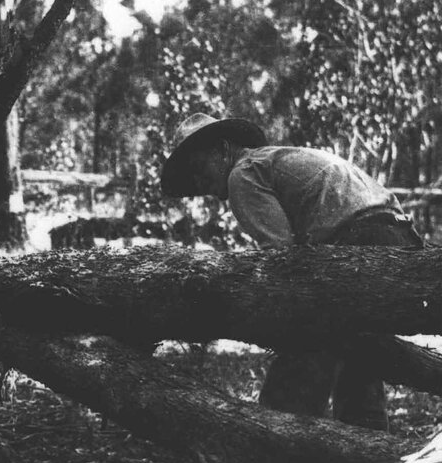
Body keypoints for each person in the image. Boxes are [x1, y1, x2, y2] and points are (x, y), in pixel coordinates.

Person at [161, 112, 423, 433]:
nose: (199, 183)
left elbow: (283, 259)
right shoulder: (273, 160)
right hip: (399, 237)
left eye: (199, 168)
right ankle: (368, 451)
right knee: (357, 348)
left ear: (223, 149)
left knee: (306, 346)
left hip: (359, 241)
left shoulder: (242, 174)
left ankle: (278, 445)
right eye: (191, 178)